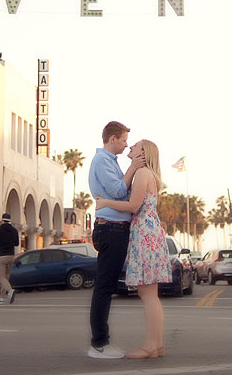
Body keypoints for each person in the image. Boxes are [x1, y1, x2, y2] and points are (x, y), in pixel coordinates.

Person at [95, 139, 171, 359]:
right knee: (150, 293)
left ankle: (150, 346)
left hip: (145, 233)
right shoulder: (147, 174)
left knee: (147, 293)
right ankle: (156, 345)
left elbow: (133, 206)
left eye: (135, 145)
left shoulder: (143, 174)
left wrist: (106, 203)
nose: (130, 147)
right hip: (150, 232)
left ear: (143, 153)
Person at [86, 121, 146, 359]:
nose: (126, 144)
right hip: (110, 229)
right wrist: (132, 168)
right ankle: (99, 343)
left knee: (106, 287)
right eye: (123, 140)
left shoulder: (109, 162)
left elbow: (120, 191)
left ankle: (101, 342)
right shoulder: (102, 161)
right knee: (104, 287)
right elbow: (119, 191)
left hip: (115, 229)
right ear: (112, 139)